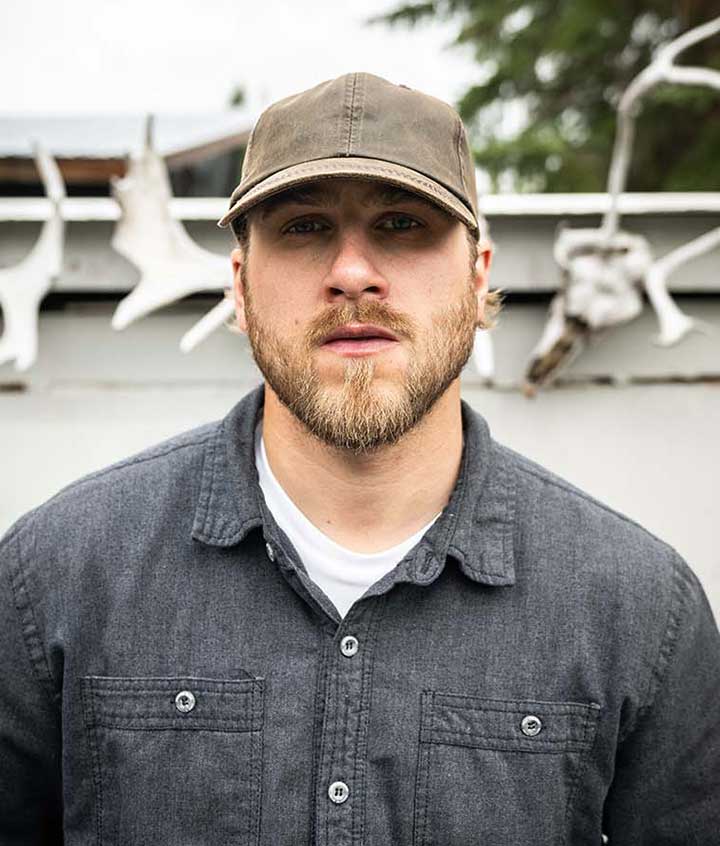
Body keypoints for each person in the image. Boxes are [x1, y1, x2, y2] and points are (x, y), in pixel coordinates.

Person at [0, 72, 718, 846]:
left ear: (479, 281)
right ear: (240, 290)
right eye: (304, 227)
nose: (351, 272)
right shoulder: (55, 579)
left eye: (403, 223)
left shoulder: (640, 608)